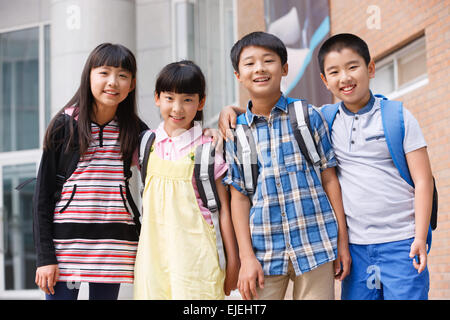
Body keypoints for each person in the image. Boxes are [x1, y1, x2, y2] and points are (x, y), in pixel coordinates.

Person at [222, 31, 350, 300]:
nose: (259, 68)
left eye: (268, 60)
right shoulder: (238, 133)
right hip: (263, 254)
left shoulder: (307, 116)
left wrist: (342, 242)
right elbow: (240, 198)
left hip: (316, 244)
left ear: (284, 68)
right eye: (249, 63)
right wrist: (246, 258)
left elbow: (330, 180)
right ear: (238, 75)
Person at [317, 33, 433, 300]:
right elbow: (281, 115)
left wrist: (419, 237)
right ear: (325, 81)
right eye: (334, 71)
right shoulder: (324, 120)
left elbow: (424, 181)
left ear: (370, 68)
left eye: (352, 66)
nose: (344, 77)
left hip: (402, 244)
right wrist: (236, 110)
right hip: (357, 251)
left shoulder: (397, 116)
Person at [33, 43, 148, 300]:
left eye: (122, 75)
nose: (113, 82)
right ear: (89, 76)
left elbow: (172, 144)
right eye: (104, 72)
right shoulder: (65, 125)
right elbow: (41, 197)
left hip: (114, 245)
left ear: (132, 84)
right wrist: (44, 257)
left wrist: (208, 127)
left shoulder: (135, 129)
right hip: (66, 247)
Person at [133, 60, 239, 300]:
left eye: (187, 100)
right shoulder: (145, 143)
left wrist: (233, 261)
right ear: (157, 98)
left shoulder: (208, 148)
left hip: (196, 262)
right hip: (153, 261)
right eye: (169, 98)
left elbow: (224, 210)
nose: (177, 108)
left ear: (201, 102)